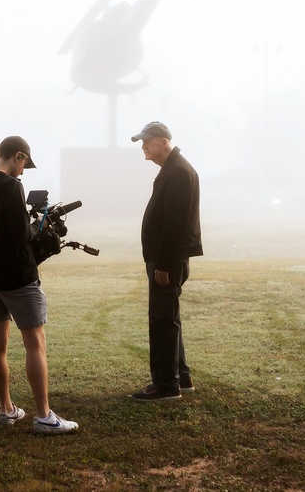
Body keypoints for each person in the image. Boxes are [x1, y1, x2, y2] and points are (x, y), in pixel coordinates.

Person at [0, 135, 79, 434]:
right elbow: (21, 235)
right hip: (18, 277)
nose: (23, 172)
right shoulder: (11, 187)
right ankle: (44, 416)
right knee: (35, 344)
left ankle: (7, 410)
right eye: (23, 165)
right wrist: (39, 225)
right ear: (17, 156)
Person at [129, 121, 203, 402]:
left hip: (167, 261)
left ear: (163, 142)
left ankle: (165, 386)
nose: (144, 147)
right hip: (166, 259)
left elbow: (174, 224)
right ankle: (181, 378)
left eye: (147, 142)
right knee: (168, 316)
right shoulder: (173, 170)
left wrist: (162, 263)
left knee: (161, 319)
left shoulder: (178, 172)